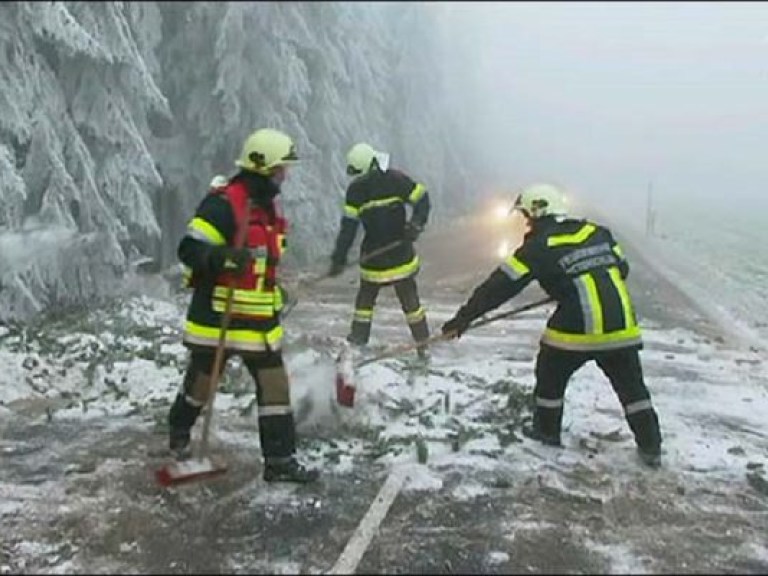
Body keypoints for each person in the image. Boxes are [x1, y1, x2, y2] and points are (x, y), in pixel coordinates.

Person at [441, 183, 663, 468]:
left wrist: (463, 319)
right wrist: (568, 282)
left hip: (574, 331)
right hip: (622, 328)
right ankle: (651, 447)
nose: (526, 222)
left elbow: (498, 288)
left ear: (537, 212)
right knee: (633, 390)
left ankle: (546, 434)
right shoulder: (598, 232)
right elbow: (622, 269)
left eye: (527, 216)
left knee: (550, 375)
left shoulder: (537, 247)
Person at [167, 128, 318, 483]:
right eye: (281, 168)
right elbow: (188, 250)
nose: (286, 175)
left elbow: (265, 265)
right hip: (217, 318)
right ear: (263, 168)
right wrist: (221, 258)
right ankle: (179, 430)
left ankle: (280, 462)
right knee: (200, 387)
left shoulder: (268, 211)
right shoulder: (222, 204)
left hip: (259, 325)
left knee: (276, 389)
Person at [329, 142, 432, 359]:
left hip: (376, 257)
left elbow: (348, 229)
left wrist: (339, 258)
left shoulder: (355, 191)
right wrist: (415, 224)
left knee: (365, 302)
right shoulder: (396, 180)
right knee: (409, 301)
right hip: (399, 253)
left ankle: (358, 343)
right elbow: (423, 200)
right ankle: (423, 344)